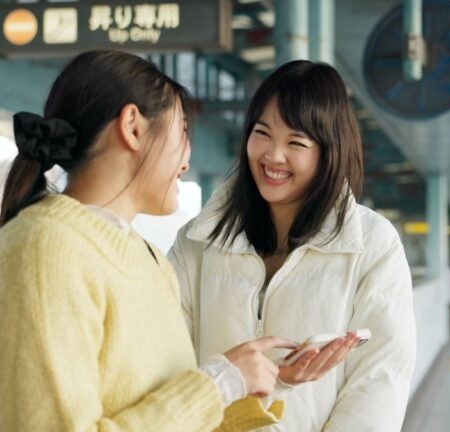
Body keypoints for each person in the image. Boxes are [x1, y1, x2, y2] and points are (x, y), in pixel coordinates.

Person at [0, 50, 292, 431]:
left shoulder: (149, 258)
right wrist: (216, 385)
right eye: (183, 132)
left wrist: (251, 384)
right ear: (133, 126)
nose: (186, 161)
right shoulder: (45, 248)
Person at [169, 60, 417, 431]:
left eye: (296, 143)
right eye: (262, 133)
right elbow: (169, 358)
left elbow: (380, 383)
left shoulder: (371, 245)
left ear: (328, 153)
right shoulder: (200, 238)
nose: (273, 156)